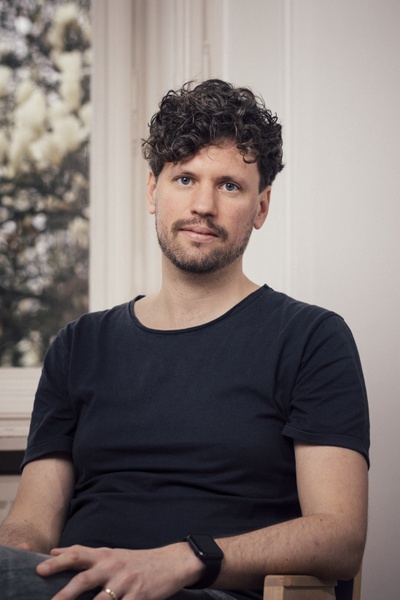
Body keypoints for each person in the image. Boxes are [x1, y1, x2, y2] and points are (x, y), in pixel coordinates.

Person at [0, 79, 369, 600]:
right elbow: (31, 525)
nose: (203, 205)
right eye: (185, 178)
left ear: (261, 207)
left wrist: (185, 560)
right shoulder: (78, 346)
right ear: (153, 191)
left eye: (229, 185)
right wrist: (14, 564)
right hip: (73, 588)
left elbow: (340, 537)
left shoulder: (312, 339)